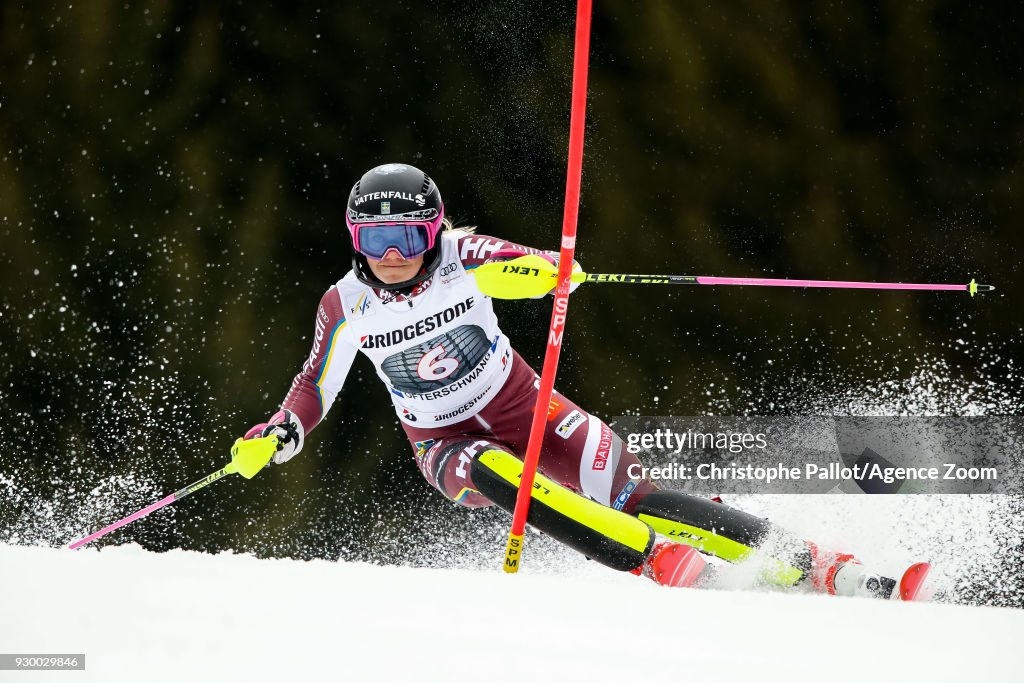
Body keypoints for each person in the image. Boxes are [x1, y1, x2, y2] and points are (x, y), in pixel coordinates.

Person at [243, 162, 906, 597]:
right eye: (377, 237)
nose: (393, 256)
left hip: (525, 406)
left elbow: (510, 263)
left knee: (630, 493)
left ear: (433, 231)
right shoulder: (343, 305)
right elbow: (314, 385)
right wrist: (279, 432)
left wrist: (551, 272)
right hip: (441, 444)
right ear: (355, 237)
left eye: (408, 238)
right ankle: (654, 560)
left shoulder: (457, 256)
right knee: (488, 468)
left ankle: (814, 563)